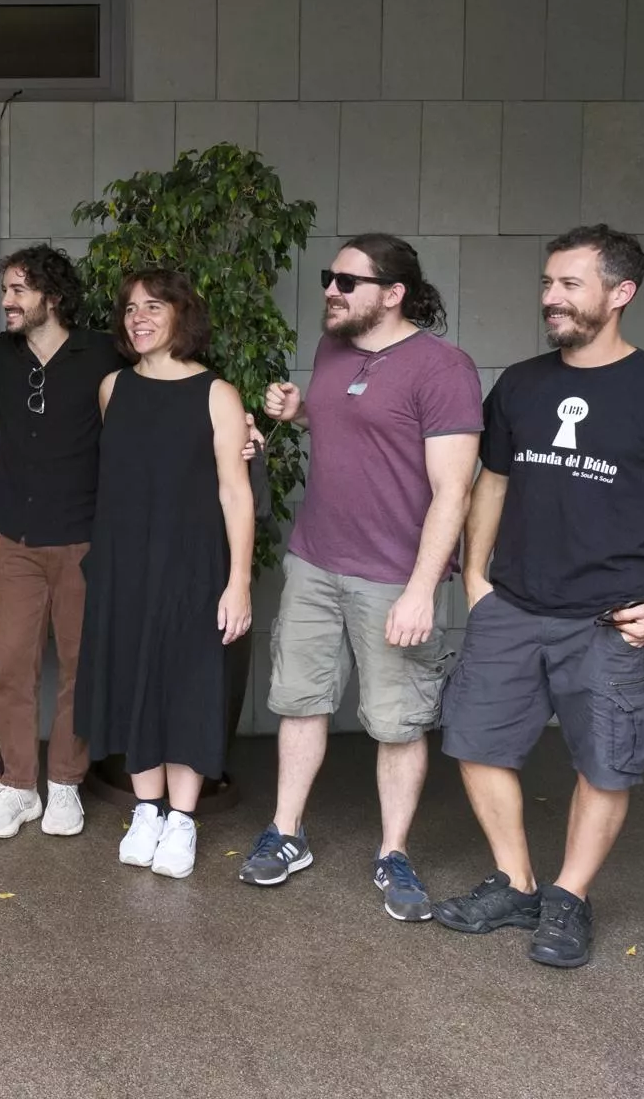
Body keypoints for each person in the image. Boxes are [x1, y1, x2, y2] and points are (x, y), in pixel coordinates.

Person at [435, 225, 644, 968]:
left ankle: (569, 897)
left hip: (611, 618)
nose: (552, 297)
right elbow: (492, 485)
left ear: (620, 293)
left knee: (606, 763)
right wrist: (477, 580)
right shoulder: (522, 384)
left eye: (570, 284)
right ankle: (516, 882)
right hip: (512, 605)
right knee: (474, 740)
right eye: (548, 283)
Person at [240, 234, 482, 921]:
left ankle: (393, 852)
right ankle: (286, 832)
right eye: (330, 276)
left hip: (394, 578)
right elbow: (351, 424)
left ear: (394, 293)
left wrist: (421, 589)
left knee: (397, 722)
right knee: (300, 701)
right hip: (315, 560)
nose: (331, 290)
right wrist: (297, 411)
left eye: (348, 281)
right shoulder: (334, 347)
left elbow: (454, 490)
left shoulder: (444, 369)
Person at [74, 271, 255, 880]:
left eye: (153, 306)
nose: (139, 318)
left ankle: (182, 819)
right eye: (130, 309)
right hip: (124, 564)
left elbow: (235, 492)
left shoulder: (217, 393)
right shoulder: (113, 388)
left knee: (187, 685)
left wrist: (238, 581)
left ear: (182, 314)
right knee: (133, 682)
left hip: (193, 564)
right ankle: (147, 810)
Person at [0, 244, 124, 839]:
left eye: (19, 290)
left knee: (80, 669)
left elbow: (164, 389)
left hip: (83, 538)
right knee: (12, 667)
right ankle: (18, 787)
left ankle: (64, 784)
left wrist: (240, 427)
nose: (7, 301)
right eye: (5, 290)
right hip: (17, 536)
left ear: (53, 297)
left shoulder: (102, 352)